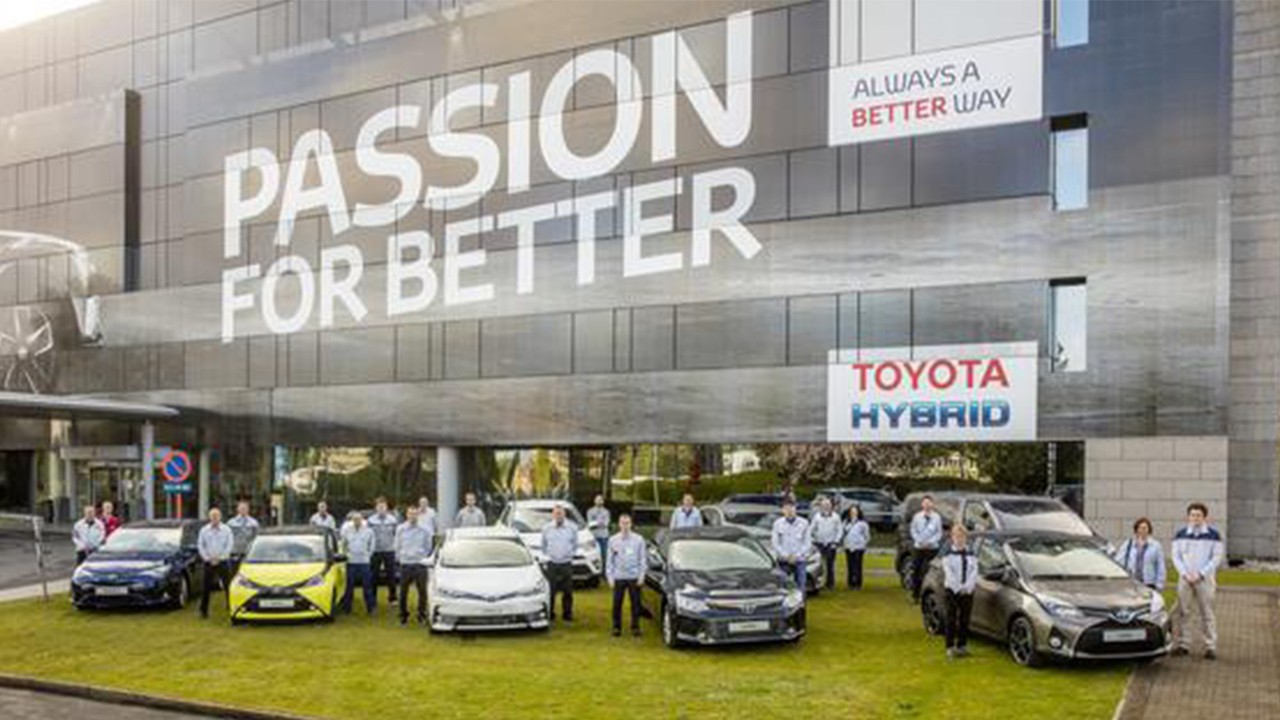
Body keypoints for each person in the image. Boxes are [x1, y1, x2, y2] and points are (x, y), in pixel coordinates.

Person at [1171, 502, 1225, 660]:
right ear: (1188, 516)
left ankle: (1210, 646)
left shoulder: (1214, 535)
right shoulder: (1180, 534)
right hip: (1185, 579)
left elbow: (1216, 558)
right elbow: (1176, 557)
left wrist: (1200, 574)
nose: (1195, 518)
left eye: (1199, 515)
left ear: (1205, 517)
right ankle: (1183, 644)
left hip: (1205, 580)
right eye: (1193, 515)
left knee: (1207, 613)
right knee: (1184, 612)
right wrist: (1185, 574)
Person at [606, 513, 647, 637]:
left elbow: (642, 560)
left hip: (634, 577)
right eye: (623, 523)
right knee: (617, 604)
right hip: (618, 577)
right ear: (619, 524)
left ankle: (635, 627)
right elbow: (609, 561)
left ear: (631, 524)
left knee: (635, 604)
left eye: (627, 523)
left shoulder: (639, 539)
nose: (625, 526)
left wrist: (641, 576)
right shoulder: (613, 540)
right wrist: (610, 578)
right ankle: (616, 627)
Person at [941, 524, 977, 659]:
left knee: (965, 619)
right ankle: (949, 647)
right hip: (952, 590)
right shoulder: (948, 555)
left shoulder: (971, 554)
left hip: (968, 591)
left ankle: (962, 645)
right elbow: (949, 573)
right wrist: (958, 587)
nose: (960, 539)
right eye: (957, 536)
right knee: (951, 618)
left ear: (966, 538)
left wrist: (967, 587)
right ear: (952, 537)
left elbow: (974, 571)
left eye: (962, 537)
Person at [394, 506, 433, 626]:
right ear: (407, 515)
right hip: (405, 564)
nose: (413, 516)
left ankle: (421, 615)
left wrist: (421, 557)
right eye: (410, 514)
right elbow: (397, 545)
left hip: (420, 564)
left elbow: (428, 546)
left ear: (418, 515)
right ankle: (403, 616)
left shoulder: (425, 529)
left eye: (415, 514)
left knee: (422, 592)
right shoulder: (401, 529)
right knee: (403, 592)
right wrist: (401, 557)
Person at [541, 505, 579, 623]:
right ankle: (550, 614)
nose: (558, 516)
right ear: (553, 515)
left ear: (564, 515)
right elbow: (543, 545)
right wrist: (550, 555)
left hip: (566, 563)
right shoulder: (546, 528)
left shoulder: (572, 528)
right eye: (556, 513)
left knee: (567, 591)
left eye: (560, 513)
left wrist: (569, 555)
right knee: (551, 591)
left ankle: (567, 614)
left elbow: (575, 544)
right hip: (552, 563)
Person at [197, 508, 234, 619]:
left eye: (216, 516)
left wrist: (221, 558)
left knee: (228, 586)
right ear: (209, 517)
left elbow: (229, 545)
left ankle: (231, 607)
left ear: (220, 517)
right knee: (206, 588)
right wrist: (207, 558)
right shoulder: (204, 530)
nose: (214, 518)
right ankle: (203, 611)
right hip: (208, 562)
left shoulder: (227, 530)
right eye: (212, 516)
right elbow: (200, 545)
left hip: (223, 561)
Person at [1113, 517, 1166, 591]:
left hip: (1149, 583)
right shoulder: (1129, 543)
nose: (1142, 530)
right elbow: (1118, 560)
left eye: (1145, 528)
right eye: (1140, 528)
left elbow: (1160, 566)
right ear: (1136, 530)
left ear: (1149, 530)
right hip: (1132, 582)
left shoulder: (1156, 546)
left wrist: (1160, 584)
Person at [340, 512, 376, 615]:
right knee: (349, 586)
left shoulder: (369, 531)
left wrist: (369, 555)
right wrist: (346, 555)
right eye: (355, 519)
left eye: (359, 519)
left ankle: (371, 608)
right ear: (352, 520)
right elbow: (343, 544)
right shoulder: (347, 531)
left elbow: (372, 544)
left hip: (364, 562)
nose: (357, 521)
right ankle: (347, 608)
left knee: (367, 586)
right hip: (351, 562)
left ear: (362, 520)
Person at [909, 495, 943, 603]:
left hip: (932, 548)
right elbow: (913, 530)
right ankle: (915, 594)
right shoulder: (917, 516)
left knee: (929, 571)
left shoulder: (937, 517)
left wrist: (930, 542)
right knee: (917, 570)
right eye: (925, 503)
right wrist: (919, 541)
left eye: (929, 502)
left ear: (932, 504)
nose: (927, 505)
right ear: (922, 504)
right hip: (919, 547)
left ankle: (928, 595)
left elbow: (939, 532)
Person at [771, 500, 811, 591]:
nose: (789, 511)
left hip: (800, 560)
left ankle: (800, 604)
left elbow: (807, 542)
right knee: (783, 585)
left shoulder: (804, 523)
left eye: (792, 508)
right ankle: (786, 604)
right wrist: (786, 556)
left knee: (801, 585)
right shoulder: (777, 524)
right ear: (783, 510)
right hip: (783, 560)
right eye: (787, 508)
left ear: (795, 509)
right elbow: (775, 543)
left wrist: (796, 556)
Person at [367, 498, 400, 604]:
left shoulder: (393, 520)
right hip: (375, 551)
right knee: (374, 575)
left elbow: (396, 535)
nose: (381, 509)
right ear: (376, 508)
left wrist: (396, 548)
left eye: (383, 507)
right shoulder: (371, 520)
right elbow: (368, 536)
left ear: (387, 508)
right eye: (379, 507)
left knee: (391, 575)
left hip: (389, 550)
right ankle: (373, 598)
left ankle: (393, 598)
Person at [809, 498, 843, 591]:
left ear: (831, 506)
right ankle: (818, 583)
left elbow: (839, 530)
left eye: (828, 505)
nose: (826, 507)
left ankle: (830, 584)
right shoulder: (817, 517)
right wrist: (812, 540)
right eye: (824, 505)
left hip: (831, 544)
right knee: (818, 565)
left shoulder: (836, 517)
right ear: (821, 506)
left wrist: (836, 541)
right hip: (819, 543)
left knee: (830, 565)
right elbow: (811, 529)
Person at [226, 500, 260, 574]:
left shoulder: (254, 523)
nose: (243, 510)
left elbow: (256, 538)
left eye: (245, 508)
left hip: (248, 553)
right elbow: (227, 538)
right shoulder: (231, 523)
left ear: (248, 509)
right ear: (237, 509)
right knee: (234, 574)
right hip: (234, 552)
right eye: (241, 508)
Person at [843, 505, 871, 590]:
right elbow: (843, 533)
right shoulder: (845, 523)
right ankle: (850, 583)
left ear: (858, 513)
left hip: (859, 547)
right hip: (848, 546)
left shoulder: (863, 524)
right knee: (850, 566)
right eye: (852, 512)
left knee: (858, 566)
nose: (853, 513)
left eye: (855, 512)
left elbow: (867, 536)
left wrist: (863, 544)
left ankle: (858, 584)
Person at [587, 494, 611, 562]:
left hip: (604, 536)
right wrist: (600, 522)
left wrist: (596, 522)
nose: (599, 501)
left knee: (604, 554)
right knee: (593, 556)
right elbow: (590, 524)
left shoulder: (606, 512)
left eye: (601, 500)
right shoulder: (590, 511)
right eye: (597, 499)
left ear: (603, 501)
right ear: (594, 501)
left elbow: (606, 524)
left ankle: (604, 570)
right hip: (593, 536)